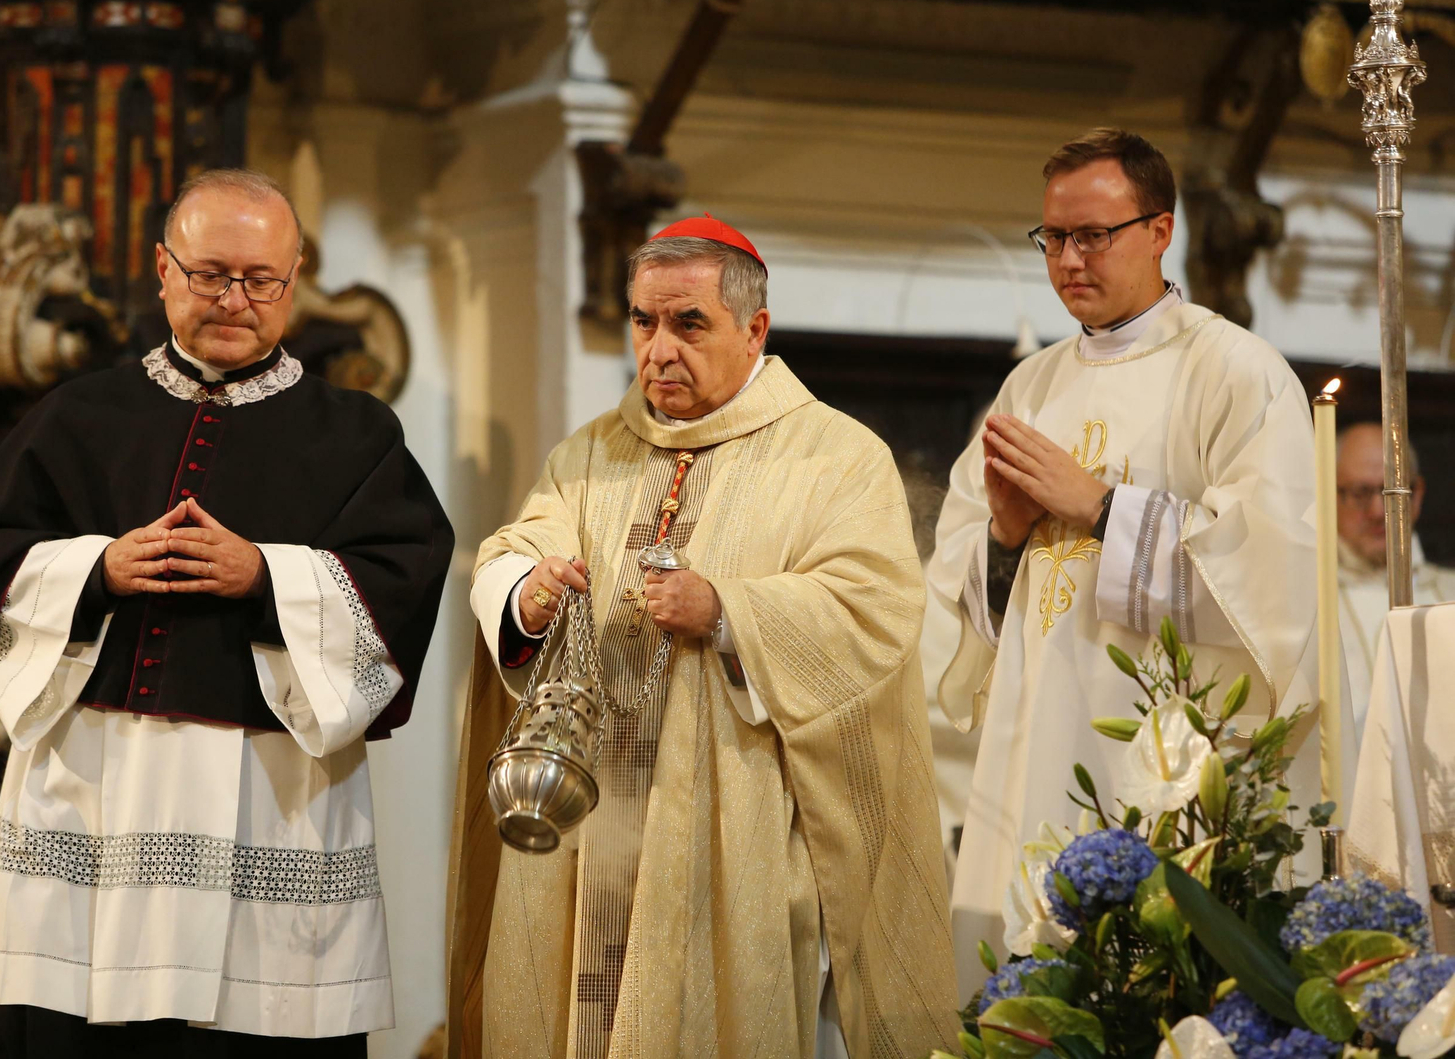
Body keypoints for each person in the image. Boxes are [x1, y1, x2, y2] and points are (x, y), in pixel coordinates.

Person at [0, 169, 454, 1057]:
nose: (235, 298)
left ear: (292, 283)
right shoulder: (79, 413)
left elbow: (404, 581)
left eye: (261, 280)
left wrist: (268, 574)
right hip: (95, 790)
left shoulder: (357, 434)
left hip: (271, 795)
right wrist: (99, 567)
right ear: (164, 270)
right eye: (212, 272)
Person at [445, 216, 957, 1059]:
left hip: (726, 824)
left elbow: (872, 608)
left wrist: (726, 611)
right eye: (644, 321)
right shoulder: (591, 452)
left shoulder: (835, 457)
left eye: (689, 324)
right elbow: (513, 549)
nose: (658, 349)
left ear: (755, 329)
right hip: (581, 828)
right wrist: (525, 596)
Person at [926, 128, 1350, 997]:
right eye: (1052, 237)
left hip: (1159, 753)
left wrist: (1104, 510)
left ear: (1161, 230)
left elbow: (1273, 579)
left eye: (1094, 235)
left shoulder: (1236, 371)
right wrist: (1003, 539)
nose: (1068, 259)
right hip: (1038, 729)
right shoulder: (1030, 386)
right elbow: (955, 601)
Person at [1336, 421, 1455, 733]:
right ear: (1328, 494)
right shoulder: (1305, 606)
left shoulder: (1451, 592)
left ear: (1418, 495)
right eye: (1361, 493)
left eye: (1393, 491)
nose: (1378, 511)